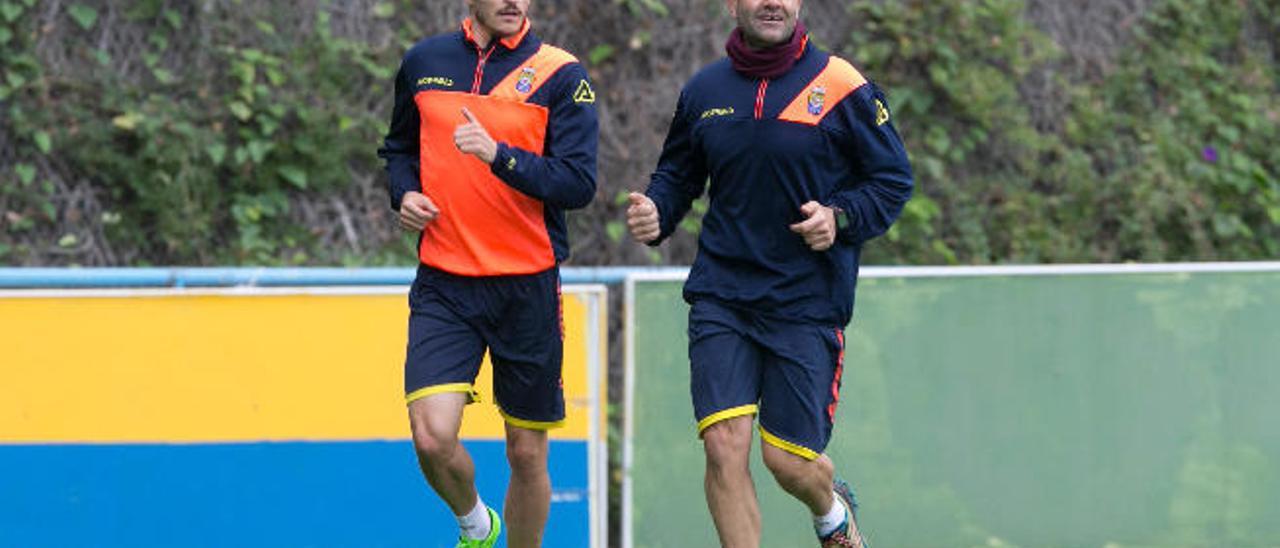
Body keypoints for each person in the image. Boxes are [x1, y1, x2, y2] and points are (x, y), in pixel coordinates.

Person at [626, 0, 912, 546]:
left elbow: (892, 180)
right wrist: (657, 211)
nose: (771, 2)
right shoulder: (704, 91)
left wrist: (841, 217)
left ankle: (831, 512)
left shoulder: (842, 84)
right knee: (723, 445)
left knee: (788, 462)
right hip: (722, 297)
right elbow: (677, 174)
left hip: (805, 303)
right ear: (732, 4)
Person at [376, 0, 598, 546]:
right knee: (431, 438)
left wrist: (499, 155)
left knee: (525, 451)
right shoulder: (423, 61)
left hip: (527, 285)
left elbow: (578, 184)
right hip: (445, 283)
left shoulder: (561, 74)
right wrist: (403, 193)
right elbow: (399, 148)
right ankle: (477, 525)